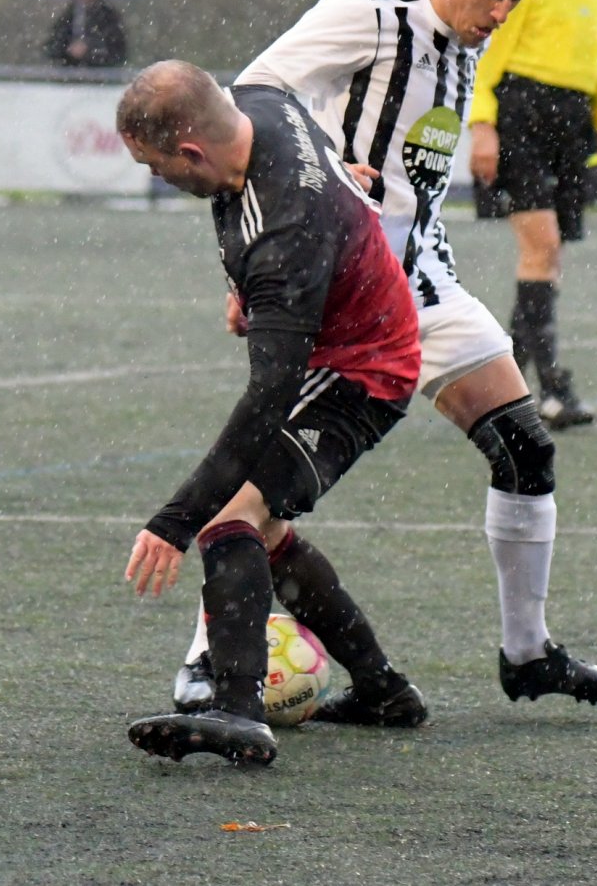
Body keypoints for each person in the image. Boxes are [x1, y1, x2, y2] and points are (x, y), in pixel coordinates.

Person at [171, 0, 597, 725]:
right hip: (342, 296)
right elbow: (257, 98)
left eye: (516, 1)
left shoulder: (468, 41)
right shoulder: (371, 12)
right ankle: (209, 668)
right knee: (261, 495)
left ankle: (526, 654)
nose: (501, 15)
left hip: (424, 281)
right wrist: (307, 185)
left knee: (525, 448)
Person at [117, 60, 425, 763]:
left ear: (192, 150)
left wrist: (174, 520)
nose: (160, 178)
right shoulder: (261, 101)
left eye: (159, 167)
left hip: (362, 374)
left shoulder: (286, 238)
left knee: (229, 517)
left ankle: (237, 711)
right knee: (269, 529)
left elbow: (266, 401)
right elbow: (319, 170)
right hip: (346, 339)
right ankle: (384, 690)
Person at [467, 0, 597, 430]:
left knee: (547, 259)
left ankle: (503, 391)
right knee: (543, 249)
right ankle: (550, 387)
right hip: (522, 117)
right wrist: (482, 125)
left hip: (571, 128)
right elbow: (489, 49)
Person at [43, 0, 128, 67]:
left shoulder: (108, 17)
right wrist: (67, 50)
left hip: (101, 76)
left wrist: (90, 51)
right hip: (69, 75)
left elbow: (118, 51)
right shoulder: (68, 16)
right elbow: (51, 47)